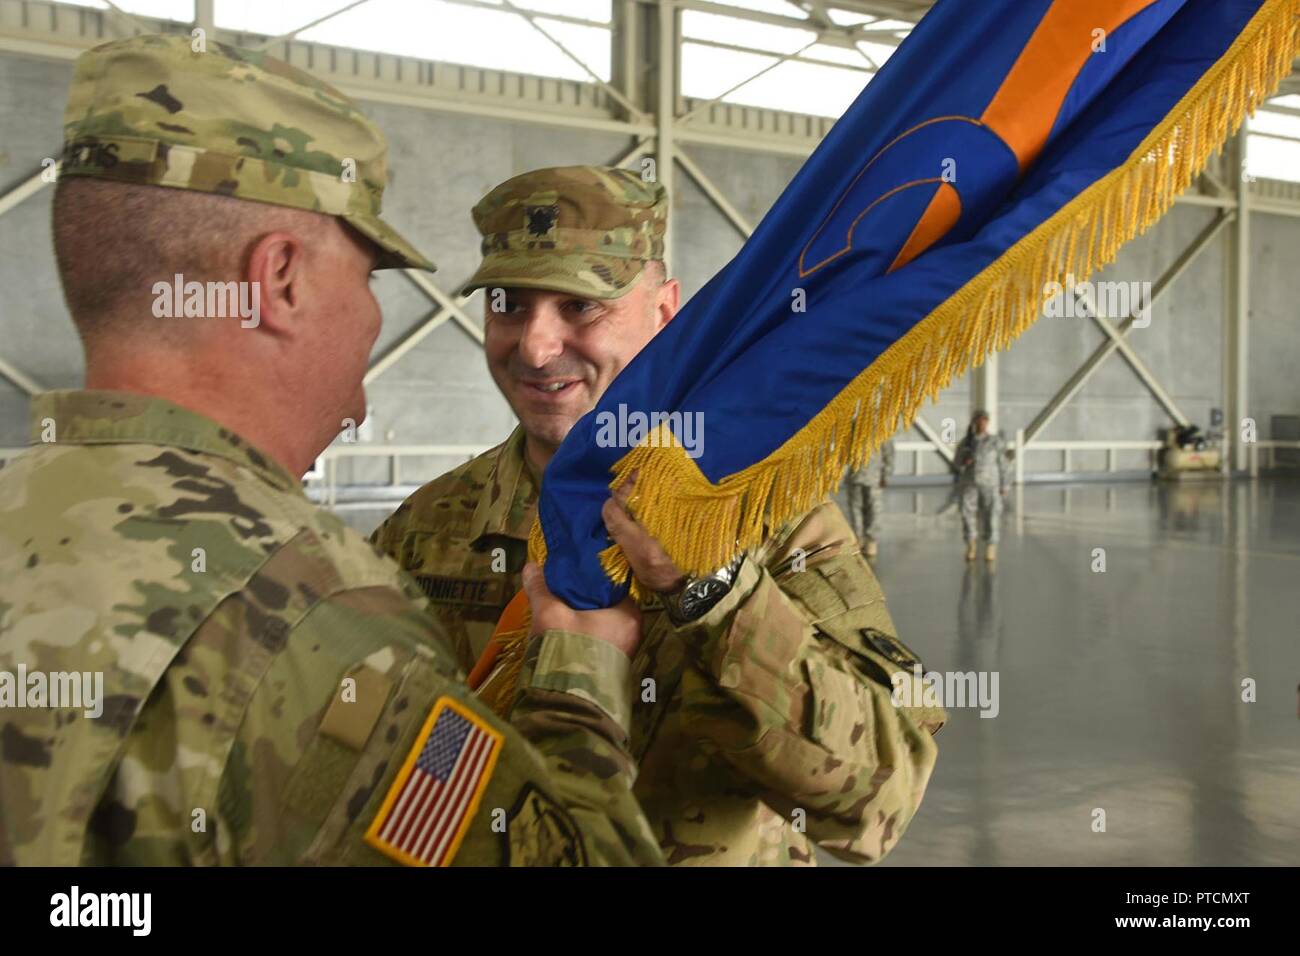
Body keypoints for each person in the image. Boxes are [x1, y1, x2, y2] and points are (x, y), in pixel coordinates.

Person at [0, 35, 665, 867]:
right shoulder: (309, 616)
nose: (535, 348)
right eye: (368, 278)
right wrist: (580, 673)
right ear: (279, 279)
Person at [372, 166, 947, 866]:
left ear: (666, 311)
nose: (534, 345)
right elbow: (383, 759)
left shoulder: (769, 518)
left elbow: (879, 803)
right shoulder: (430, 526)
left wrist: (713, 593)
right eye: (509, 305)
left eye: (581, 306)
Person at [956, 410, 1011, 561]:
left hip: (991, 483)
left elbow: (1004, 464)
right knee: (967, 514)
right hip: (969, 483)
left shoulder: (995, 442)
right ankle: (971, 545)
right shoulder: (966, 442)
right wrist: (963, 461)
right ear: (974, 422)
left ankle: (990, 546)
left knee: (992, 514)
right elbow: (956, 463)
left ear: (988, 422)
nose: (982, 423)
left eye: (984, 420)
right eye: (979, 420)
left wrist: (1005, 485)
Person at [845, 439, 895, 557]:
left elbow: (889, 454)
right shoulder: (854, 428)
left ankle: (871, 540)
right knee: (856, 509)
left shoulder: (882, 432)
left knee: (873, 509)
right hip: (856, 476)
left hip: (874, 477)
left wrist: (886, 474)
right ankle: (858, 538)